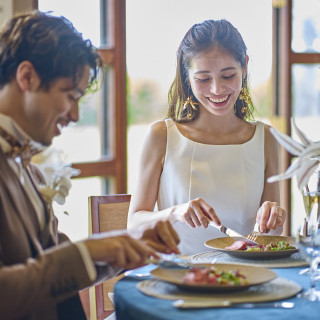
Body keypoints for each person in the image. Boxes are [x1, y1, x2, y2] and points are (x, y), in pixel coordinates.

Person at [0, 11, 179, 320]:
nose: (74, 116)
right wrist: (87, 252)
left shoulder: (27, 165)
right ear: (26, 76)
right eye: (70, 96)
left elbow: (50, 260)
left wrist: (126, 245)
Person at [127, 19, 287, 255]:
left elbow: (267, 238)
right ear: (187, 77)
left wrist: (274, 218)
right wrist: (175, 212)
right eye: (203, 79)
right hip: (179, 278)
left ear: (244, 67)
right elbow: (134, 224)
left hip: (245, 279)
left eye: (228, 75)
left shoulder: (266, 138)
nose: (216, 89)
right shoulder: (162, 135)